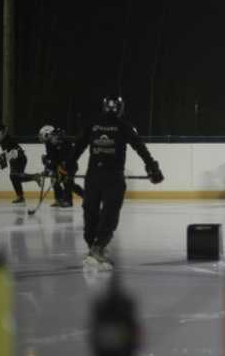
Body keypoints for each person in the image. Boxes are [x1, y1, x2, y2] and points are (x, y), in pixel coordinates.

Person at [68, 97, 164, 267]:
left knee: (90, 211)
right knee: (109, 214)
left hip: (94, 177)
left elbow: (77, 147)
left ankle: (94, 246)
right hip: (113, 178)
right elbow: (140, 148)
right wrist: (153, 168)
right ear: (120, 109)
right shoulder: (124, 126)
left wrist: (66, 167)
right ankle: (97, 247)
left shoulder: (92, 124)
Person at [39, 124, 85, 208]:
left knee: (68, 182)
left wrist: (63, 166)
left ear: (48, 133)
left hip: (70, 165)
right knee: (55, 180)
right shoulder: (49, 144)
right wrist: (47, 162)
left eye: (43, 135)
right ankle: (59, 199)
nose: (42, 138)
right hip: (59, 166)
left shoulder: (63, 140)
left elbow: (70, 153)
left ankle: (68, 201)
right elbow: (52, 157)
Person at [0, 124, 38, 204]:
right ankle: (20, 196)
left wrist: (4, 159)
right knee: (14, 177)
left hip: (20, 159)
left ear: (3, 132)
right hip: (15, 159)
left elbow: (14, 152)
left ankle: (35, 177)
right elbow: (7, 153)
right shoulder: (3, 141)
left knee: (15, 176)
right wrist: (3, 161)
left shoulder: (8, 140)